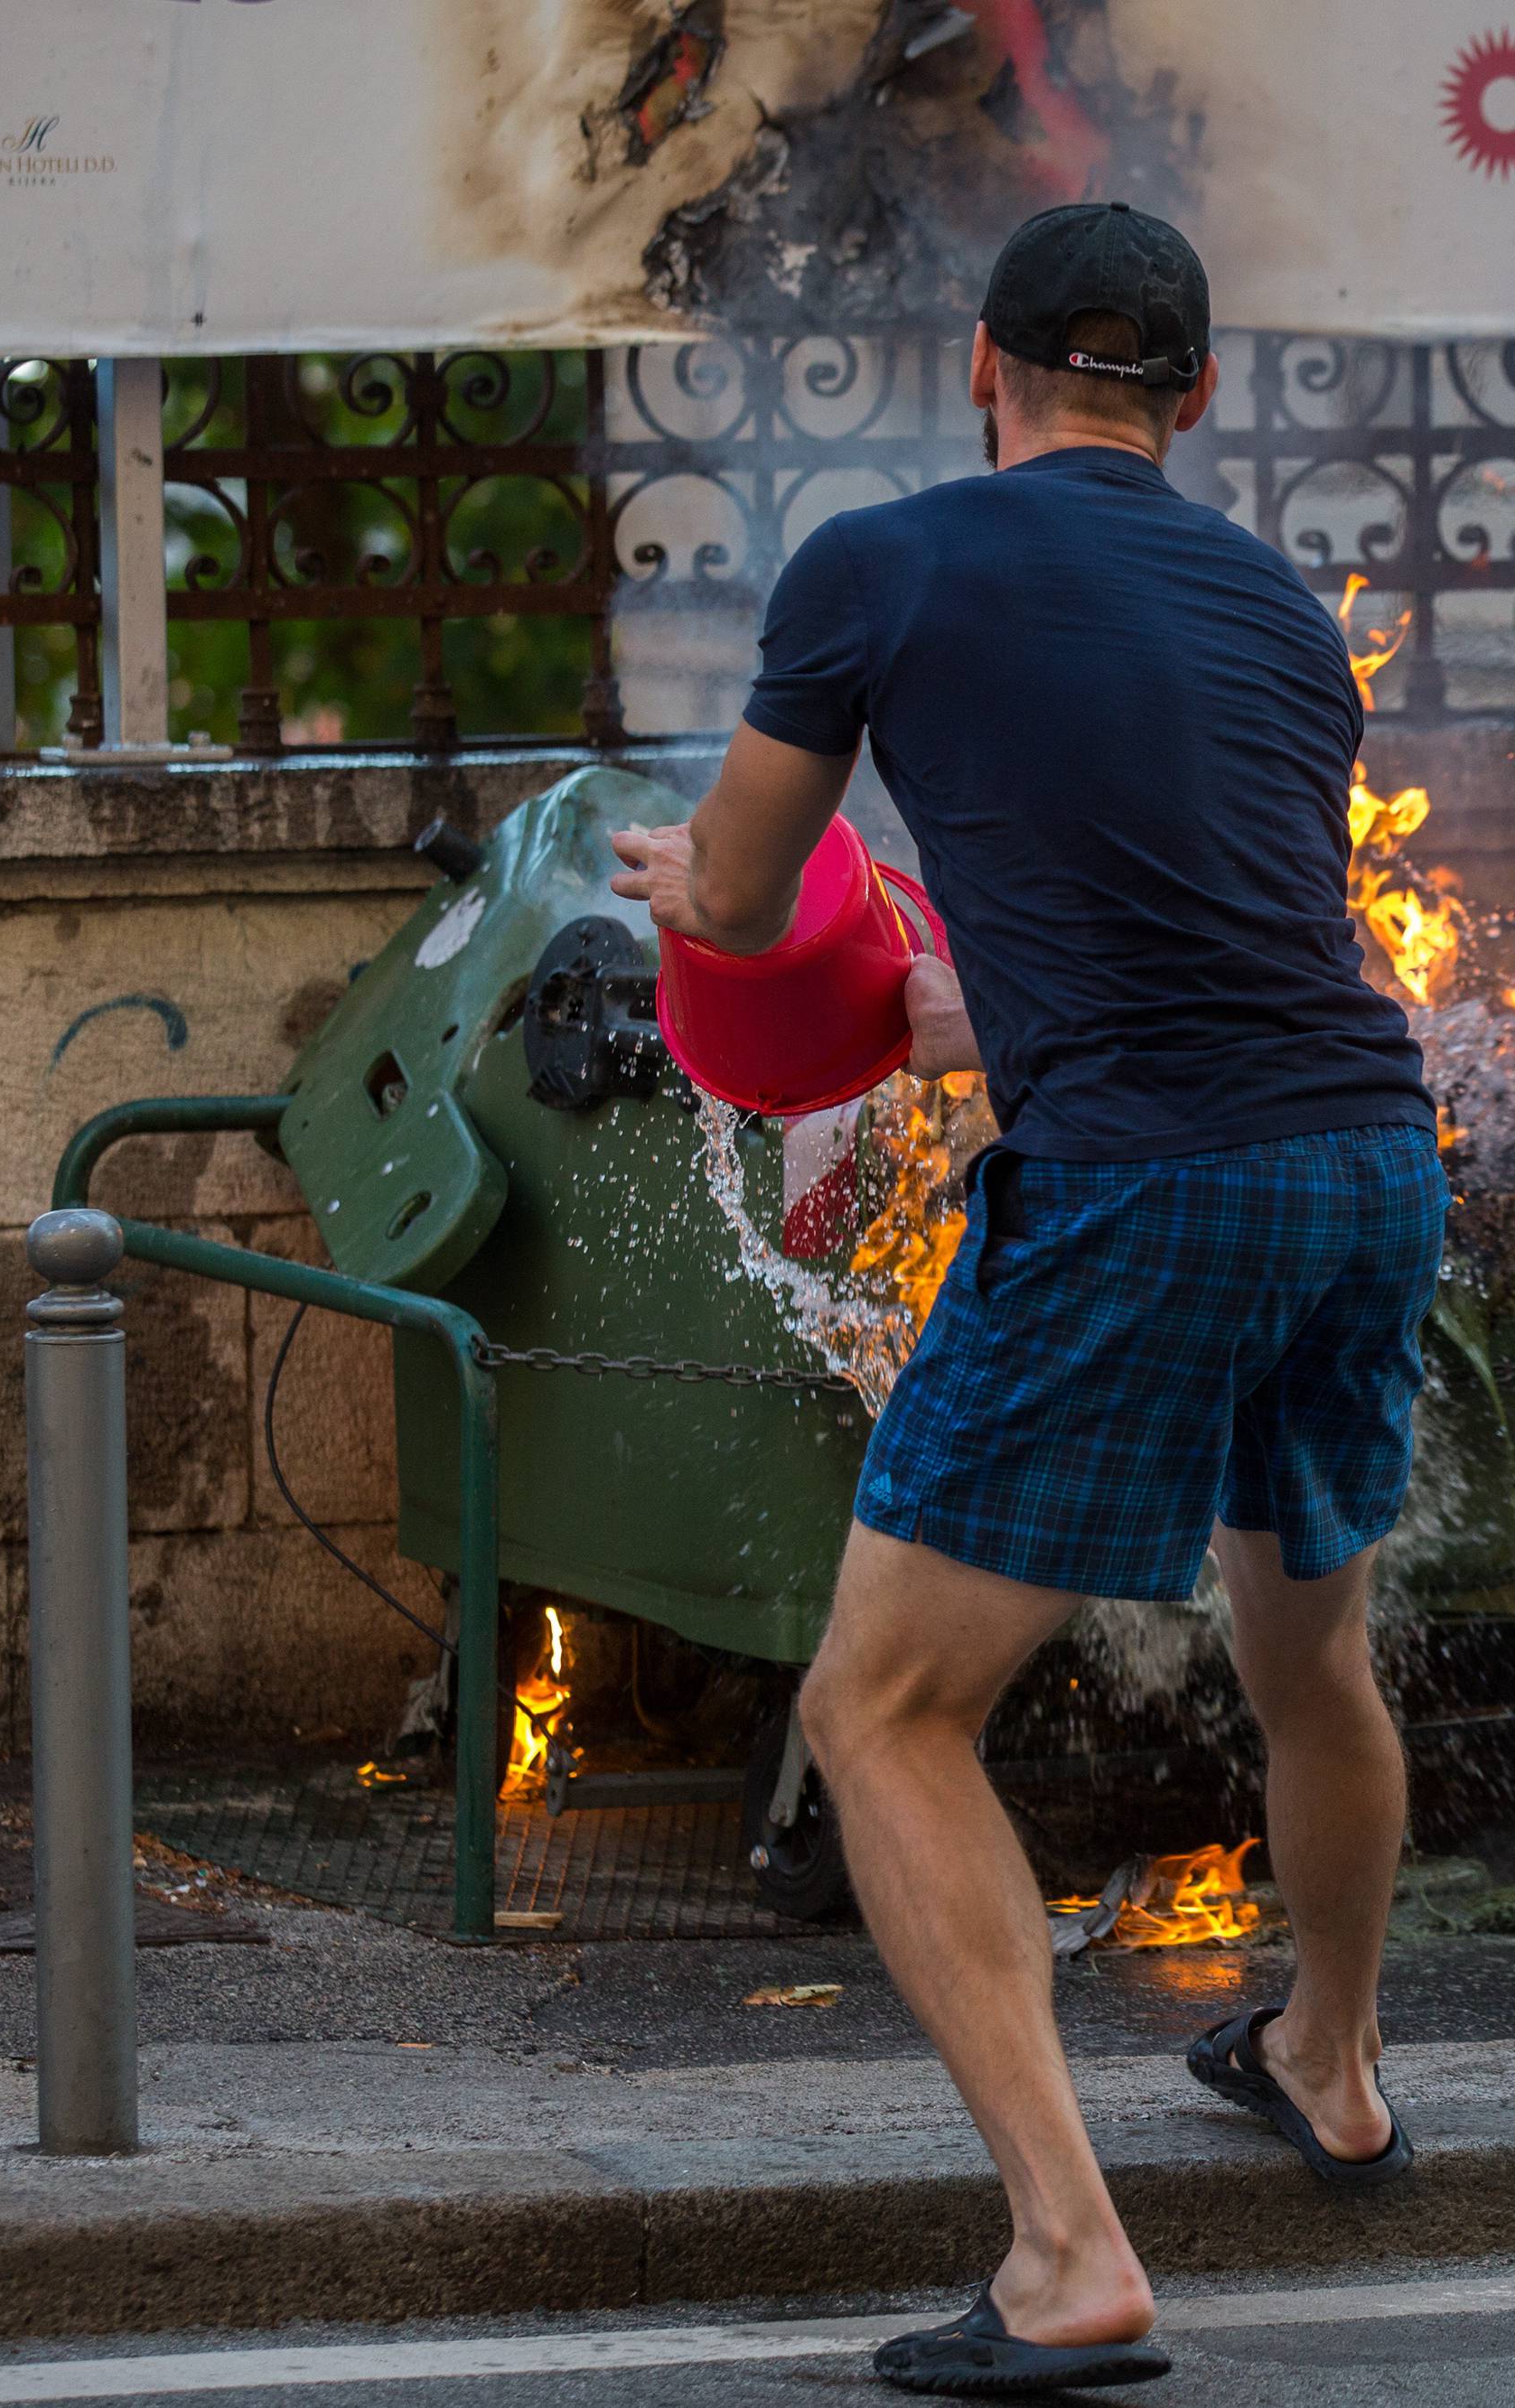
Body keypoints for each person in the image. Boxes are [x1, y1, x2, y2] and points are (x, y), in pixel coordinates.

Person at [611, 201, 1446, 2398]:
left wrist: (687, 895)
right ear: (1188, 395)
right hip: (1363, 1161)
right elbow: (1181, 955)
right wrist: (924, 1019)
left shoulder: (885, 562)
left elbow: (743, 881)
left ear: (986, 375)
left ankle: (1072, 2253)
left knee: (879, 1708)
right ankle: (1337, 2062)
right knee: (1316, 1650)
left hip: (1149, 1187)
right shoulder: (1287, 619)